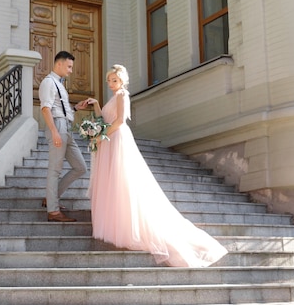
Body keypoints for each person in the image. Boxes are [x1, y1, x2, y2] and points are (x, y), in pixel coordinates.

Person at [84, 64, 228, 267]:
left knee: (121, 180)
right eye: (109, 80)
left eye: (114, 80)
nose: (111, 83)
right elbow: (104, 118)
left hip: (116, 140)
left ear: (122, 80)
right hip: (108, 140)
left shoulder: (122, 95)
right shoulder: (112, 97)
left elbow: (120, 122)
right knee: (112, 182)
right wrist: (96, 105)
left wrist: (101, 136)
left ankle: (128, 228)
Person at [39, 51, 90, 222]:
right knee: (55, 170)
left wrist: (76, 108)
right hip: (58, 127)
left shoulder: (59, 83)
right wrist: (54, 131)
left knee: (80, 167)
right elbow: (46, 108)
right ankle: (53, 212)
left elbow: (58, 107)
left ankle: (51, 199)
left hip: (66, 127)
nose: (70, 70)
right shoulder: (48, 82)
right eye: (69, 66)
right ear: (59, 64)